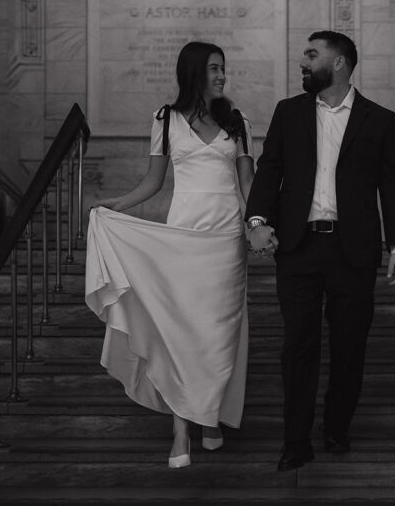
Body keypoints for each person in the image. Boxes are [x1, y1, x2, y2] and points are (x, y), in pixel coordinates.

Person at [85, 41, 262, 468]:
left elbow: (248, 185)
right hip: (182, 236)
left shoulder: (237, 122)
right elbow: (153, 181)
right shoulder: (165, 120)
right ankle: (182, 426)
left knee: (220, 332)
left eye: (223, 68)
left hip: (225, 240)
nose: (222, 76)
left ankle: (211, 412)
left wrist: (258, 223)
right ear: (194, 72)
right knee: (181, 331)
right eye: (214, 68)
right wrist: (118, 205)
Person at [245, 30, 395, 472]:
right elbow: (270, 169)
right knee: (298, 345)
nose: (303, 61)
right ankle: (295, 441)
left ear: (338, 63)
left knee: (349, 345)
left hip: (352, 250)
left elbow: (393, 185)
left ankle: (337, 426)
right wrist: (257, 222)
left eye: (312, 54)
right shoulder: (289, 112)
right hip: (298, 247)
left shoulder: (380, 119)